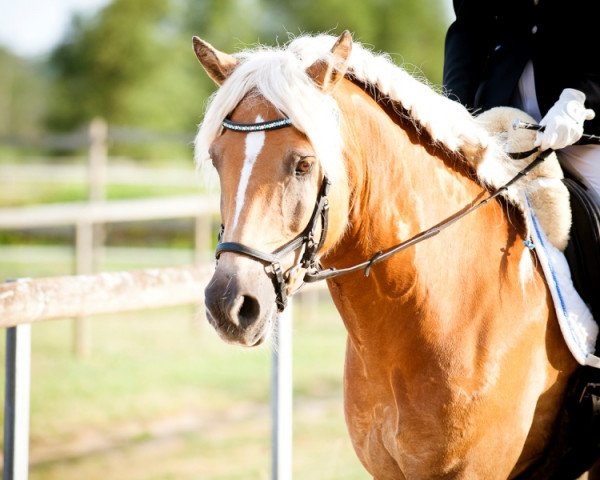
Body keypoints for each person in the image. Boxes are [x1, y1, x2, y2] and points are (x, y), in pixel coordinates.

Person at [442, 0, 600, 198]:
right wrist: (454, 104)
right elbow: (470, 26)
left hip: (580, 123)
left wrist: (576, 99)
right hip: (500, 113)